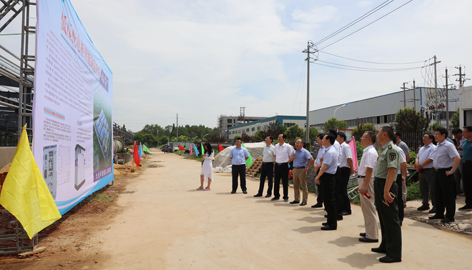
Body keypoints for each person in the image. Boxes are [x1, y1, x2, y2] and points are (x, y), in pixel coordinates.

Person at [372, 126, 402, 263]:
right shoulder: (384, 149)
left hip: (387, 186)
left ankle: (394, 254)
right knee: (383, 218)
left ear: (384, 134)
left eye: (378, 133)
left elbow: (391, 171)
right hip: (381, 184)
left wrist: (386, 191)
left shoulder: (392, 150)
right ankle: (385, 246)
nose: (376, 135)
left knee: (391, 220)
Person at [429, 127, 461, 222]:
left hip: (446, 172)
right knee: (438, 194)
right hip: (437, 172)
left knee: (448, 196)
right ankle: (439, 213)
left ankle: (450, 216)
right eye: (435, 134)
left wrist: (452, 170)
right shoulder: (438, 145)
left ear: (444, 135)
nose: (435, 136)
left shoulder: (448, 145)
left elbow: (457, 158)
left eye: (437, 134)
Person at [358, 131, 379, 243]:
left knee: (369, 208)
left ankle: (372, 235)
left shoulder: (370, 152)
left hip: (367, 180)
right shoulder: (368, 151)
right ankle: (369, 231)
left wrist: (365, 186)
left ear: (369, 140)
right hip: (364, 179)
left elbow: (370, 170)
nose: (361, 138)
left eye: (363, 137)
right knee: (366, 208)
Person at [315, 133, 338, 230]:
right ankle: (329, 221)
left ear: (328, 140)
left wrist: (317, 177)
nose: (321, 140)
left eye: (323, 138)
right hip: (326, 176)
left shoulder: (330, 152)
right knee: (327, 200)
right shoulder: (327, 150)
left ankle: (332, 224)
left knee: (330, 200)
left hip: (328, 177)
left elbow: (324, 168)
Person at [415, 132, 437, 213]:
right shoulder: (422, 148)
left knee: (433, 189)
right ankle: (425, 203)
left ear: (431, 139)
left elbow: (430, 159)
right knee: (423, 188)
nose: (423, 138)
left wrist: (420, 165)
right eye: (423, 137)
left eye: (426, 137)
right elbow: (417, 157)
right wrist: (417, 164)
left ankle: (435, 206)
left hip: (430, 170)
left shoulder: (433, 148)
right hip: (422, 170)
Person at [288, 139, 314, 206]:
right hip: (295, 169)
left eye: (298, 143)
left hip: (302, 169)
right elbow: (289, 160)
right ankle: (297, 199)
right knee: (296, 185)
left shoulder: (305, 152)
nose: (297, 144)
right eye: (296, 143)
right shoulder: (294, 151)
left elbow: (311, 159)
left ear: (302, 144)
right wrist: (292, 157)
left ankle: (304, 200)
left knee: (303, 185)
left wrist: (308, 168)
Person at [336, 132, 354, 216]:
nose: (336, 139)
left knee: (343, 190)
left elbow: (349, 159)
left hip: (345, 169)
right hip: (340, 169)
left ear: (342, 138)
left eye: (338, 137)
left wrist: (352, 169)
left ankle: (347, 209)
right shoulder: (339, 147)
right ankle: (342, 207)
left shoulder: (346, 146)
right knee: (340, 190)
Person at [272, 133, 293, 202]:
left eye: (280, 137)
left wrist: (288, 162)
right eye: (278, 137)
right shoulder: (276, 146)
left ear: (284, 139)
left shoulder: (288, 146)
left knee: (285, 181)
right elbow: (275, 156)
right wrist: (274, 165)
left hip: (284, 165)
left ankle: (285, 196)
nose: (278, 138)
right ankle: (276, 195)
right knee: (276, 181)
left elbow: (292, 156)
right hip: (277, 165)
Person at [394, 131, 410, 210]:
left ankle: (403, 201)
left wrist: (403, 165)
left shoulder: (402, 145)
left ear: (397, 136)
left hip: (401, 168)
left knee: (402, 184)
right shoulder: (393, 145)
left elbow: (408, 157)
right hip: (395, 170)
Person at [459, 126, 472, 210]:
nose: (463, 134)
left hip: (471, 164)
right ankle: (468, 203)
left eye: (464, 132)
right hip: (464, 163)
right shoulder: (465, 142)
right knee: (466, 185)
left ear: (470, 133)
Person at [312, 134, 325, 208]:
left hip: (322, 168)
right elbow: (317, 158)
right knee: (319, 186)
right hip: (318, 168)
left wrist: (317, 167)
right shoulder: (320, 148)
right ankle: (319, 202)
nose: (317, 141)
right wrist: (315, 164)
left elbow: (323, 161)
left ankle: (323, 202)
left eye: (318, 139)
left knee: (323, 186)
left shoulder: (326, 149)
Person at [452, 128, 466, 196]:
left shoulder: (465, 139)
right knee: (456, 174)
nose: (455, 137)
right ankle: (457, 190)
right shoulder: (459, 139)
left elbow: (464, 148)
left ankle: (465, 191)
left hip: (463, 158)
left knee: (463, 174)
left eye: (455, 135)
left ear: (459, 133)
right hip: (458, 158)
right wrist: (457, 141)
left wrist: (456, 147)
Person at [396, 147, 407, 225]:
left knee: (398, 197)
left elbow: (404, 164)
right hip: (387, 176)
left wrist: (402, 174)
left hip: (397, 175)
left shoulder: (398, 149)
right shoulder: (385, 149)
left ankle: (400, 218)